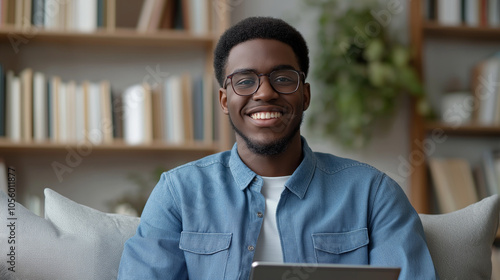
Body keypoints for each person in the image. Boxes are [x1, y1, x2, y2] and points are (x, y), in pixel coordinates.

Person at [118, 16, 438, 280]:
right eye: (245, 81)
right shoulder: (177, 192)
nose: (265, 93)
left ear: (306, 95)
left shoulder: (374, 194)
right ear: (225, 100)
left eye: (283, 78)